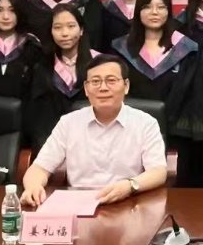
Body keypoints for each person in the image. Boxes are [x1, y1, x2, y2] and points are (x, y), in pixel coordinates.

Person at [21, 55, 168, 207]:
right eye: (95, 81)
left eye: (111, 80)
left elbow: (158, 172)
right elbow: (39, 168)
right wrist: (33, 187)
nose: (103, 88)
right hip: (78, 204)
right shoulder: (69, 123)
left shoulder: (146, 123)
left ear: (126, 86)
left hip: (128, 202)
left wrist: (130, 185)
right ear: (86, 88)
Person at [111, 0, 203, 186]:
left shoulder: (187, 49)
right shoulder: (121, 48)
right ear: (138, 12)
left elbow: (194, 94)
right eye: (147, 7)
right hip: (131, 130)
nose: (154, 12)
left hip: (178, 130)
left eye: (161, 7)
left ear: (169, 12)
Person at [26, 3, 97, 155]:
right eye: (57, 27)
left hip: (93, 142)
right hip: (51, 142)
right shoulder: (41, 67)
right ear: (50, 32)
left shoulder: (98, 64)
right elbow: (38, 118)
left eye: (71, 26)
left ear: (81, 30)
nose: (64, 33)